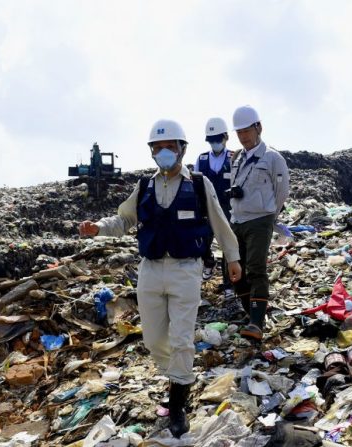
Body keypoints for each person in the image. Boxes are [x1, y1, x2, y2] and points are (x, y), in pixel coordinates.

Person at [78, 119, 242, 438]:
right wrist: (98, 228)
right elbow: (124, 219)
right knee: (154, 340)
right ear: (152, 151)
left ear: (182, 149)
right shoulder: (144, 187)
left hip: (186, 269)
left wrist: (232, 258)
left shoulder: (197, 183)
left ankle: (178, 403)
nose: (164, 152)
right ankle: (180, 377)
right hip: (151, 269)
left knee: (181, 339)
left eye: (170, 147)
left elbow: (220, 222)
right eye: (158, 147)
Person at [228, 105, 290, 341]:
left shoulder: (272, 157)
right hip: (237, 219)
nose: (243, 136)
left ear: (258, 127)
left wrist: (269, 215)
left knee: (255, 269)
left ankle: (257, 322)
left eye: (247, 131)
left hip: (259, 220)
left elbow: (282, 190)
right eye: (239, 132)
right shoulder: (237, 158)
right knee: (235, 271)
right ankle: (251, 311)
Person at [193, 117, 234, 299]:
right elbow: (195, 184)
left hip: (227, 208)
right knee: (200, 242)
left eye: (218, 139)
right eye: (211, 140)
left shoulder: (234, 158)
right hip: (206, 208)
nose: (215, 143)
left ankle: (228, 285)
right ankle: (208, 261)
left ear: (225, 137)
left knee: (228, 247)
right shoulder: (201, 160)